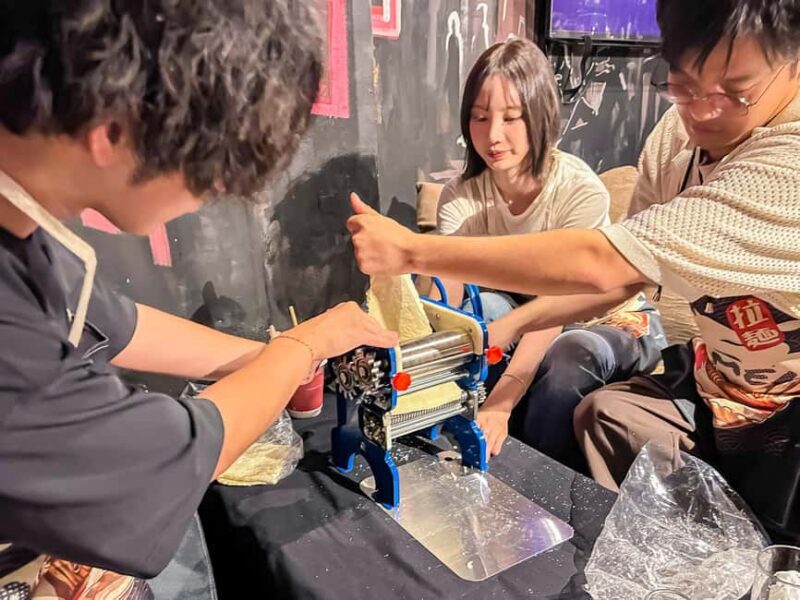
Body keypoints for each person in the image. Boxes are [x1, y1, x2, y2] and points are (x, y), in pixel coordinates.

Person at [348, 0, 800, 541]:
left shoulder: (785, 162)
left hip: (783, 412)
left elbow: (603, 266)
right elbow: (628, 275)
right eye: (682, 84)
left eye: (735, 90)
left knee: (570, 359)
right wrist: (492, 328)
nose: (701, 110)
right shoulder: (672, 142)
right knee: (600, 415)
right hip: (715, 382)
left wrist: (412, 252)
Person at [0, 1, 396, 598]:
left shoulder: (22, 213)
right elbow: (164, 463)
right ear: (116, 126)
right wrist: (300, 346)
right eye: (214, 171)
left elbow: (116, 320)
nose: (215, 191)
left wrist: (271, 357)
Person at [434, 38, 665, 469]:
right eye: (480, 118)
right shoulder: (462, 196)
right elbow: (444, 295)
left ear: (539, 116)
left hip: (610, 319)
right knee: (480, 308)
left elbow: (556, 309)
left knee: (568, 355)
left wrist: (502, 401)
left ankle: (537, 477)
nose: (493, 135)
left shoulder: (577, 190)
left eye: (512, 118)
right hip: (526, 311)